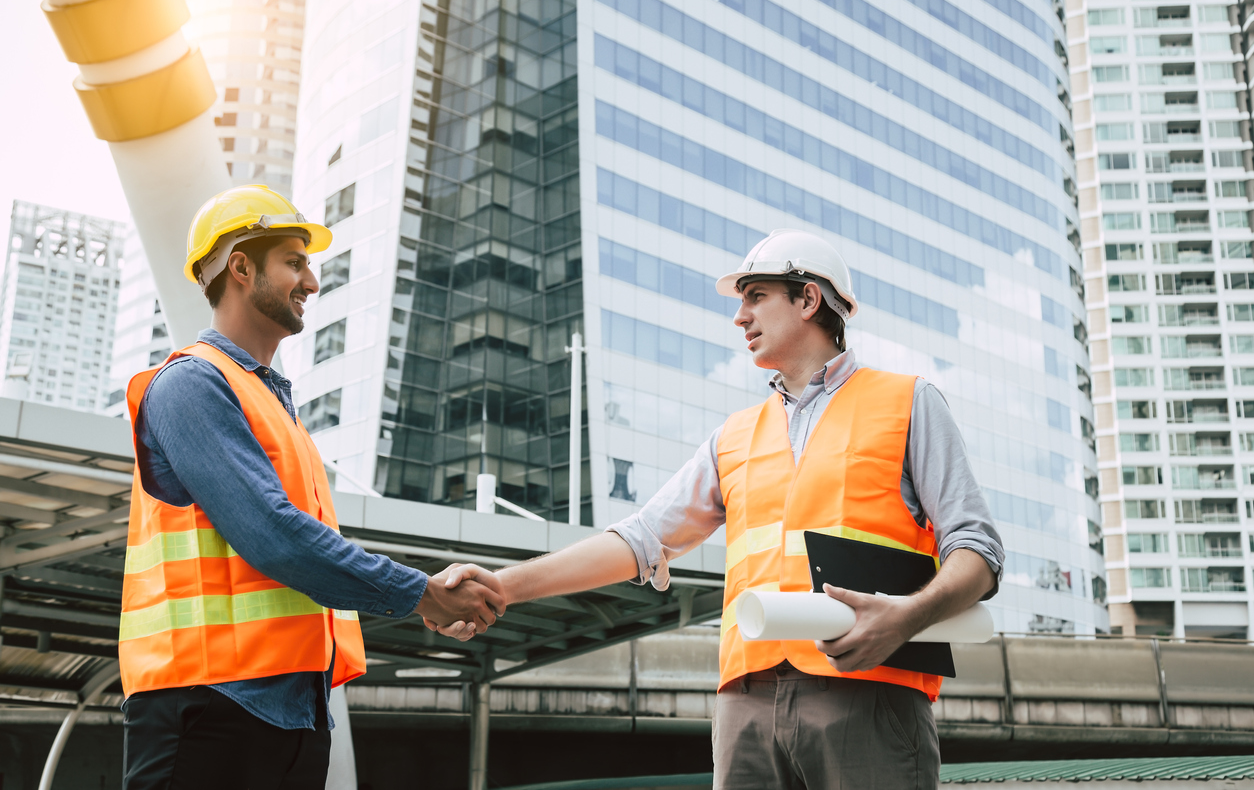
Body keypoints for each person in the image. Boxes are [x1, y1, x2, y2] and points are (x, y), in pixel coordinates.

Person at [435, 229, 1004, 789]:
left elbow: (977, 550)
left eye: (756, 296)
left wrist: (909, 616)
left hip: (868, 690)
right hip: (746, 707)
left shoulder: (909, 402)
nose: (740, 317)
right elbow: (640, 540)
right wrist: (502, 587)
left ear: (808, 300)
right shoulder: (733, 437)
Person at [119, 185, 505, 789]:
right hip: (207, 706)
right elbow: (274, 537)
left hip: (291, 713)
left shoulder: (277, 409)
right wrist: (420, 593)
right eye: (295, 262)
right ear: (241, 267)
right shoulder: (189, 385)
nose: (312, 281)